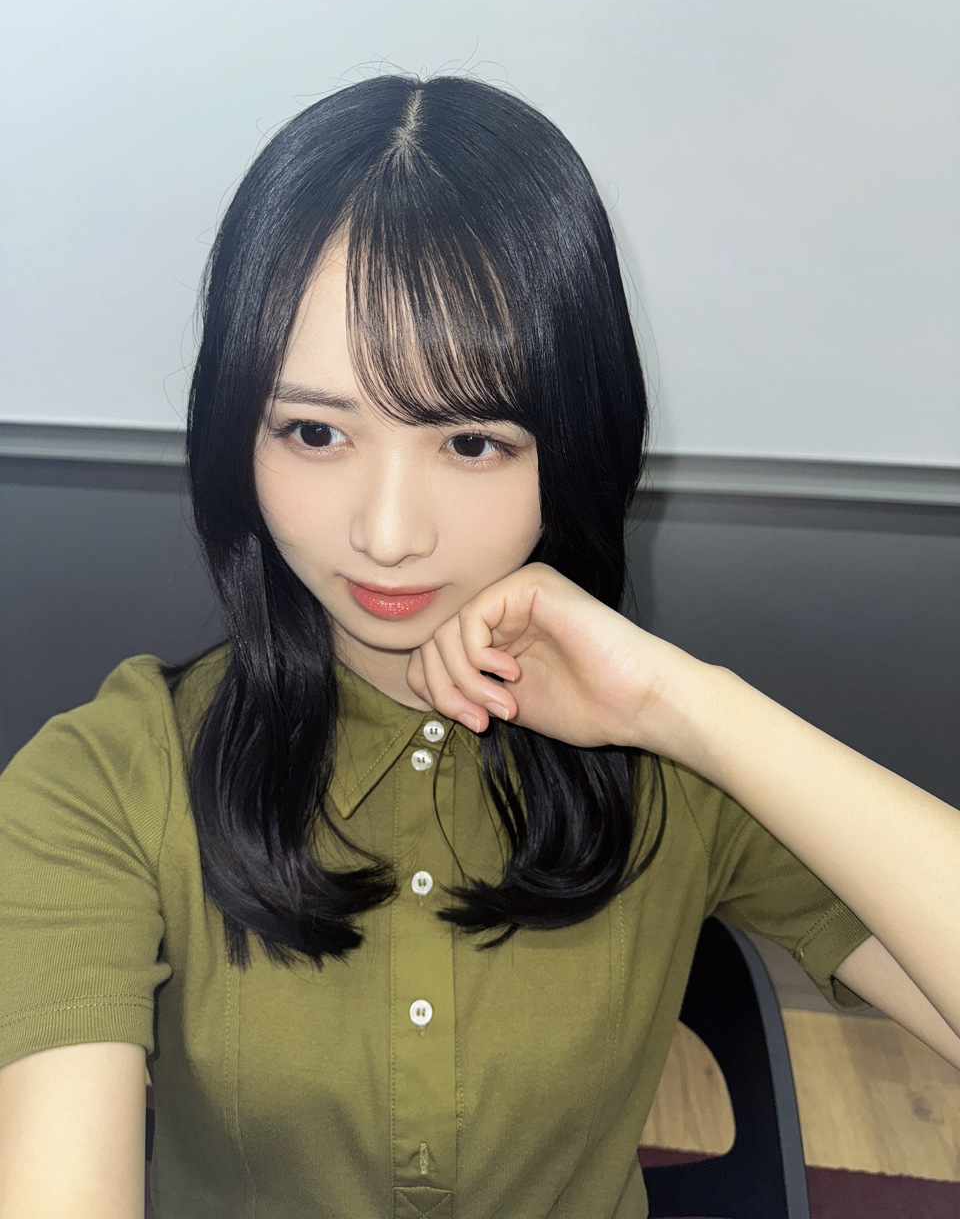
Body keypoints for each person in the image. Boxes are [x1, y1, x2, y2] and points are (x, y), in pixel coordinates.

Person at [0, 74, 957, 1219]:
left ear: (575, 445)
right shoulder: (109, 778)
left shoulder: (673, 765)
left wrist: (686, 709)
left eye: (470, 440)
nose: (387, 532)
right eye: (314, 430)